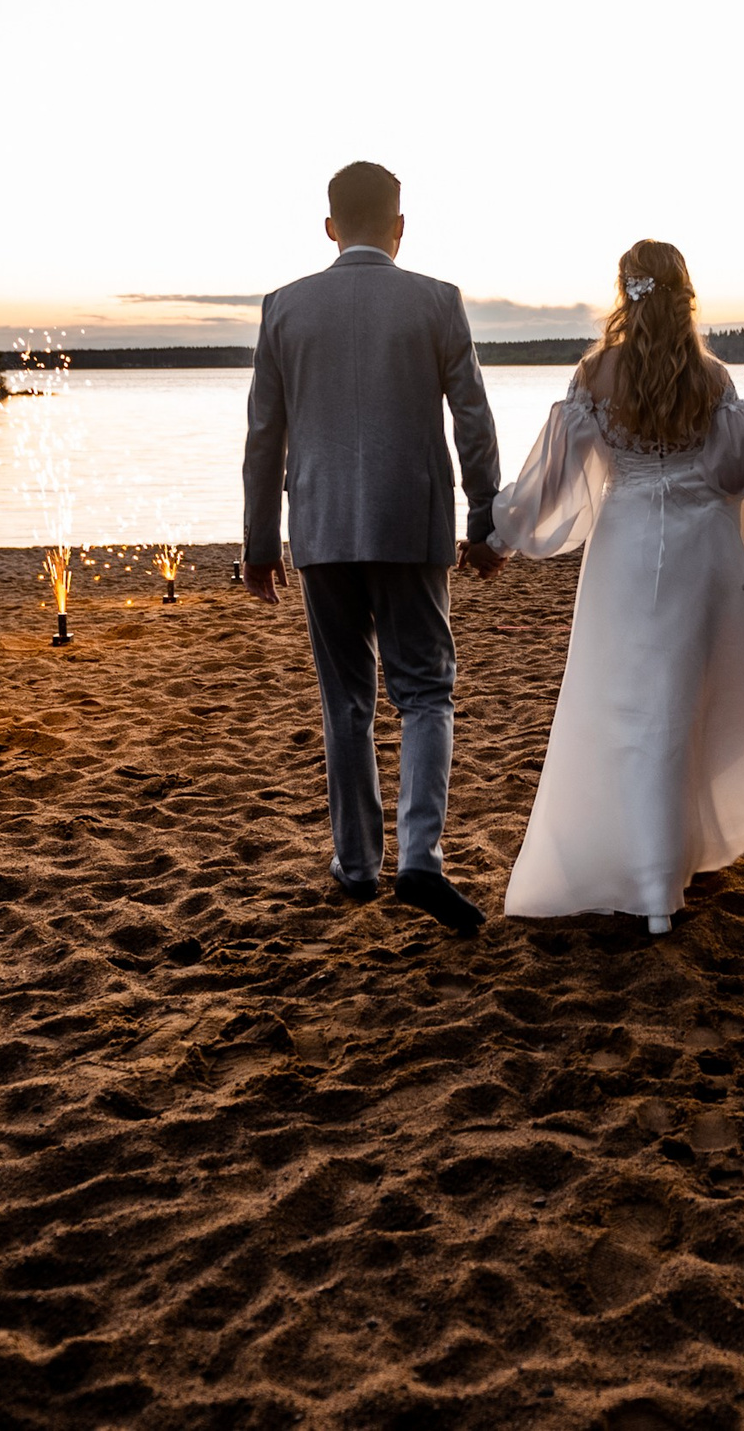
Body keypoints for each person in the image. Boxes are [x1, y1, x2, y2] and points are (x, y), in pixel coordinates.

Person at [488, 240, 744, 934]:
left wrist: (500, 533)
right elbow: (737, 475)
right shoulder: (710, 378)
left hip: (623, 550)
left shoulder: (595, 372)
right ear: (685, 295)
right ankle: (662, 873)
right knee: (682, 705)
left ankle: (649, 876)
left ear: (626, 294)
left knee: (624, 706)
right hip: (700, 552)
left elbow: (555, 484)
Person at [240, 162, 504, 933]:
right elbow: (474, 420)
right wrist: (486, 521)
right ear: (398, 225)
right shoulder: (436, 301)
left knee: (345, 700)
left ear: (331, 227)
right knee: (425, 691)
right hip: (409, 521)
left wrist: (259, 543)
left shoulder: (284, 308)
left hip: (320, 527)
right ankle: (420, 857)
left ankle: (356, 864)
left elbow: (264, 434)